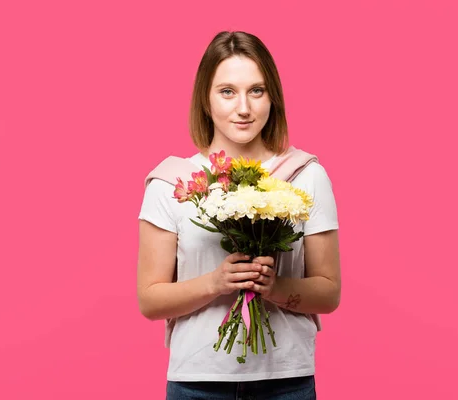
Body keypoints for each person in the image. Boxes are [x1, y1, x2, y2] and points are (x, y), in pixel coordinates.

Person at [137, 31, 341, 399]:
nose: (243, 107)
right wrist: (216, 283)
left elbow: (328, 293)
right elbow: (150, 300)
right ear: (205, 99)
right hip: (197, 381)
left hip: (287, 381)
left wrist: (275, 287)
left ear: (273, 98)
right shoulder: (172, 182)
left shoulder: (306, 175)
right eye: (227, 91)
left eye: (257, 91)